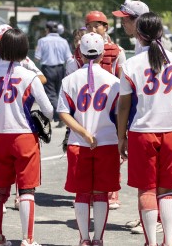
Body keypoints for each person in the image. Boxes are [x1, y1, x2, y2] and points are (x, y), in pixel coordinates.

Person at [117, 12, 172, 246]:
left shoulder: (131, 64)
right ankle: (168, 242)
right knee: (166, 189)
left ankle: (151, 241)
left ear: (139, 35)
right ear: (161, 33)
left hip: (142, 132)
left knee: (146, 190)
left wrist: (121, 138)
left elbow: (124, 107)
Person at [0, 28, 53, 246]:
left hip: (1, 135)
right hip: (24, 135)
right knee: (26, 189)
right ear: (24, 49)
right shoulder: (29, 75)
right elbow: (49, 109)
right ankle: (28, 239)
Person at [57, 32, 121, 246]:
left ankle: (84, 239)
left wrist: (84, 133)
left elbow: (64, 113)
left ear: (80, 54)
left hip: (79, 143)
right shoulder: (114, 82)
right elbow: (119, 114)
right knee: (101, 193)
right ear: (103, 54)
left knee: (82, 193)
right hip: (108, 142)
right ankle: (98, 239)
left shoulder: (68, 80)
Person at [35, 21, 72, 127]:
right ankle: (61, 116)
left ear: (47, 30)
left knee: (51, 94)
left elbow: (37, 58)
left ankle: (60, 116)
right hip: (61, 68)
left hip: (48, 69)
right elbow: (68, 57)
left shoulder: (42, 41)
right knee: (59, 93)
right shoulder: (64, 41)